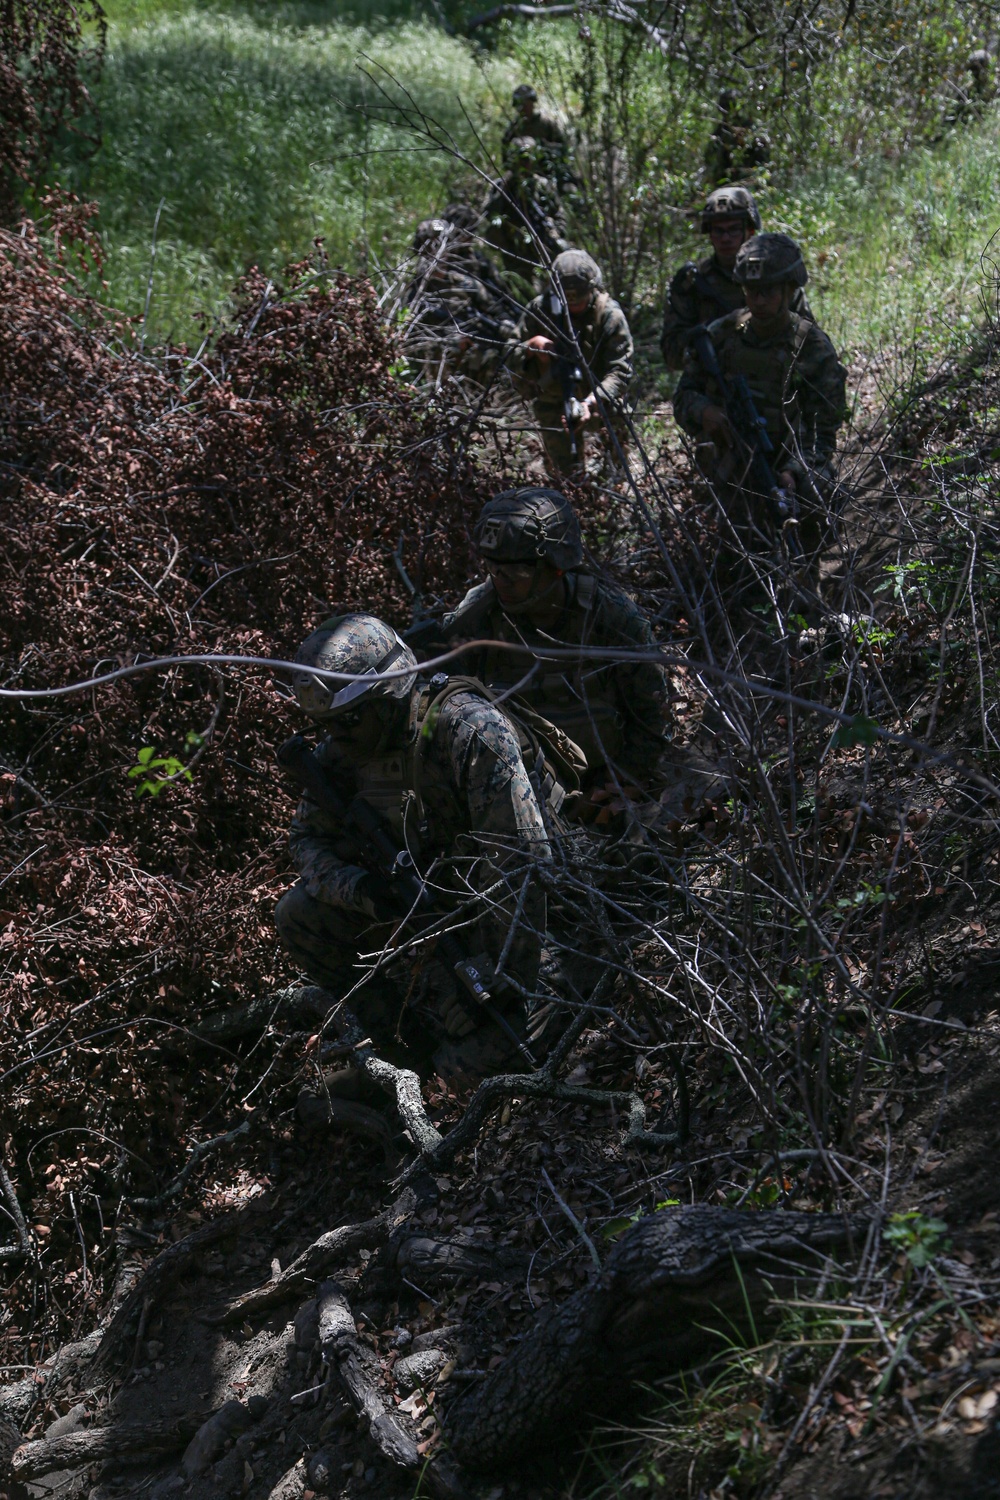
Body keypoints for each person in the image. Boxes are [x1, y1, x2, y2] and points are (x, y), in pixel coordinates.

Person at [274, 615, 553, 1078]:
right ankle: (401, 1052)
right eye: (324, 725)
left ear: (389, 695)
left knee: (481, 1059)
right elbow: (306, 840)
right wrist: (362, 890)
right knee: (298, 914)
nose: (336, 738)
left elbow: (524, 868)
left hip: (537, 917)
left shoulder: (468, 729)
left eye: (348, 721)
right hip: (443, 906)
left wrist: (493, 978)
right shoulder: (345, 750)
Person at [436, 487, 671, 790]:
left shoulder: (610, 617)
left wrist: (619, 785)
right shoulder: (477, 618)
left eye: (516, 572)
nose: (500, 581)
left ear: (557, 567)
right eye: (493, 568)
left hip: (608, 785)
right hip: (517, 787)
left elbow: (653, 716)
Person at [672, 232, 847, 575]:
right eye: (752, 291)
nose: (759, 300)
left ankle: (812, 576)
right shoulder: (720, 336)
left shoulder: (812, 347)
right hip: (732, 464)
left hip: (789, 465)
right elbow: (683, 396)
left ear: (789, 290)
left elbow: (823, 430)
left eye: (768, 291)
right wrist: (705, 412)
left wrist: (794, 472)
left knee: (818, 490)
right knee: (737, 564)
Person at [507, 248, 633, 475]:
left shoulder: (608, 315)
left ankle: (614, 482)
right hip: (553, 401)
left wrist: (591, 402)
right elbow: (507, 356)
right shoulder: (540, 309)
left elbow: (620, 371)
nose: (574, 307)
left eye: (581, 300)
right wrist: (531, 347)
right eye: (568, 301)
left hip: (597, 398)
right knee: (564, 476)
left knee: (618, 418)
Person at [660, 186, 812, 371]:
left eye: (733, 230)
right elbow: (672, 356)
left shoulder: (777, 275)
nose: (725, 239)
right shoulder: (692, 283)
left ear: (750, 231)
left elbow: (811, 340)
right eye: (718, 231)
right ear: (709, 235)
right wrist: (715, 332)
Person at [403, 218, 516, 382]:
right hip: (438, 373)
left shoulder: (466, 284)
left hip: (478, 369)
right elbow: (413, 342)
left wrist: (506, 327)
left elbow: (498, 312)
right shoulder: (415, 294)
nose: (439, 252)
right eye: (431, 247)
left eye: (442, 245)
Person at [481, 136, 568, 289]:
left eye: (527, 159)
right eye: (520, 159)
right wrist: (506, 188)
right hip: (515, 252)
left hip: (543, 247)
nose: (524, 164)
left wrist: (555, 231)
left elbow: (559, 214)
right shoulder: (501, 185)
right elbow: (489, 214)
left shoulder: (542, 185)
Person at [703, 90, 770, 185]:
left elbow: (764, 164)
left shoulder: (754, 129)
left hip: (750, 182)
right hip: (724, 182)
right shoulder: (721, 130)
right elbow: (709, 157)